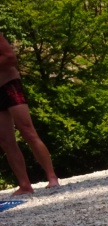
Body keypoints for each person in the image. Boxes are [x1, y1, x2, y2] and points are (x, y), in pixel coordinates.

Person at [0, 33, 59, 195]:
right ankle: (25, 184)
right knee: (5, 140)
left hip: (8, 85)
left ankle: (52, 176)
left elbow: (11, 58)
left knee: (27, 131)